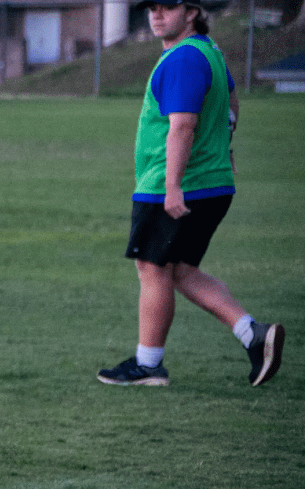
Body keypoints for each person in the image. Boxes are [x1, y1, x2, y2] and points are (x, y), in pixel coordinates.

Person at [97, 0, 284, 387]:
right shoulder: (209, 51)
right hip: (212, 183)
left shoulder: (183, 57)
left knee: (152, 268)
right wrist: (223, 146)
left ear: (193, 11)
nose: (156, 14)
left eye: (167, 6)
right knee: (180, 270)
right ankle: (254, 334)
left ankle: (148, 366)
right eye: (152, 7)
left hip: (178, 183)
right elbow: (231, 103)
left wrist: (171, 186)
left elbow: (182, 126)